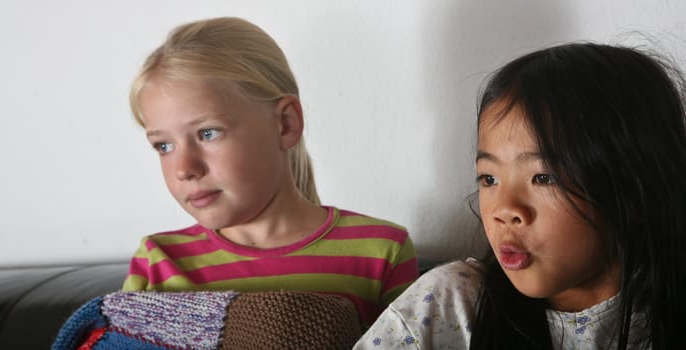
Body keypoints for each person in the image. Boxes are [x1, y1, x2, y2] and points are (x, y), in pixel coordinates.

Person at [354, 42, 686, 349]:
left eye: (543, 177)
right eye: (489, 178)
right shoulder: (450, 305)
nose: (504, 209)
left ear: (636, 191)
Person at [121, 17, 418, 327]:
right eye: (164, 146)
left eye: (208, 133)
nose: (184, 169)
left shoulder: (382, 252)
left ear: (285, 124)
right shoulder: (157, 262)